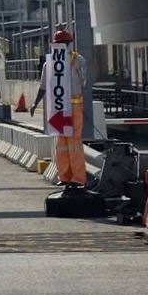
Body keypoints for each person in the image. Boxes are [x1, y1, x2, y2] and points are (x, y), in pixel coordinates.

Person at [46, 27, 89, 185]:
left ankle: (76, 178)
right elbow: (83, 81)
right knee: (64, 143)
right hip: (63, 107)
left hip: (66, 108)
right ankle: (66, 177)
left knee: (71, 142)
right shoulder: (77, 60)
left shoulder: (56, 62)